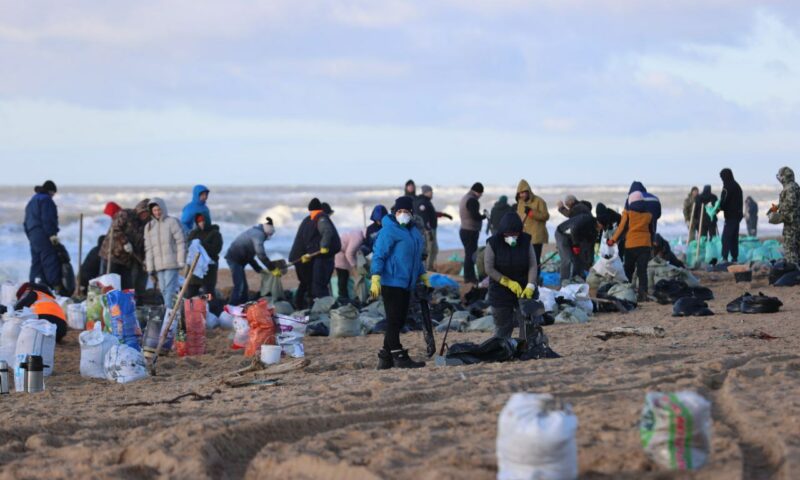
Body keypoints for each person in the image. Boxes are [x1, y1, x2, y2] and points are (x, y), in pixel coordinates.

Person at [370, 196, 428, 369]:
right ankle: (398, 354)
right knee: (394, 320)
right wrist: (376, 276)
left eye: (406, 211)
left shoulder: (414, 232)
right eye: (399, 211)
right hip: (391, 281)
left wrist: (422, 274)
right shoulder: (389, 230)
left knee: (399, 320)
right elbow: (379, 254)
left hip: (406, 282)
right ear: (394, 213)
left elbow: (416, 258)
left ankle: (386, 358)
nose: (402, 214)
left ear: (412, 213)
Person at [485, 212, 538, 339]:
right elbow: (489, 268)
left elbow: (532, 265)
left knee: (527, 324)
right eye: (508, 234)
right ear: (502, 232)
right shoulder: (493, 243)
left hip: (524, 288)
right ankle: (502, 350)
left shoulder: (526, 240)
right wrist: (507, 282)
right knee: (503, 327)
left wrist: (530, 285)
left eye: (515, 234)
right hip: (500, 290)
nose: (512, 237)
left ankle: (525, 347)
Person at [290, 198, 341, 308]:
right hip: (303, 257)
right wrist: (323, 246)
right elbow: (325, 233)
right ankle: (312, 306)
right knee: (312, 284)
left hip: (305, 257)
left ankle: (304, 306)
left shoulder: (310, 220)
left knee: (309, 284)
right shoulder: (319, 219)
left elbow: (310, 239)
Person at [608, 191, 653, 302]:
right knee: (642, 271)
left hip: (631, 245)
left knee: (628, 270)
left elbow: (621, 228)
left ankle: (627, 292)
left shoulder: (628, 213)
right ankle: (643, 294)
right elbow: (652, 231)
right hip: (645, 245)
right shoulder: (649, 215)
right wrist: (652, 243)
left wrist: (613, 240)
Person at [225, 218, 279, 306]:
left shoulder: (256, 232)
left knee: (244, 288)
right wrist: (272, 268)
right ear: (267, 233)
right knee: (239, 286)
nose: (268, 238)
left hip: (239, 260)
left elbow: (250, 257)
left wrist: (259, 269)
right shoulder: (259, 235)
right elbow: (261, 254)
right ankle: (231, 307)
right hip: (234, 258)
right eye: (269, 236)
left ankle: (244, 306)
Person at [144, 198, 186, 308]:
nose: (157, 212)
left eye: (159, 209)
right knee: (163, 290)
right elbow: (149, 249)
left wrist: (181, 260)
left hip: (172, 263)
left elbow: (181, 241)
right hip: (158, 266)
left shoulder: (172, 222)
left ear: (163, 208)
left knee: (169, 289)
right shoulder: (149, 227)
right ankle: (174, 312)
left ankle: (168, 317)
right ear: (151, 211)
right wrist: (150, 268)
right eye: (154, 210)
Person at [100, 200, 149, 292]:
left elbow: (141, 244)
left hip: (126, 260)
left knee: (126, 285)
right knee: (108, 282)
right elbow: (115, 229)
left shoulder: (145, 225)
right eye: (144, 212)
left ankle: (124, 303)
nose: (145, 215)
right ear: (140, 209)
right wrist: (125, 242)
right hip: (112, 254)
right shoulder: (125, 214)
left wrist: (143, 260)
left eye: (148, 213)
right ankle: (105, 303)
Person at [23, 180, 62, 293]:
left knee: (36, 262)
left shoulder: (32, 200)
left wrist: (30, 235)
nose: (53, 196)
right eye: (53, 194)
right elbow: (47, 219)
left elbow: (25, 222)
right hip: (43, 234)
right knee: (50, 260)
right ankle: (55, 288)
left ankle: (33, 288)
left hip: (32, 235)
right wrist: (52, 235)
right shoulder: (46, 200)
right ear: (51, 191)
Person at [555, 211, 600, 283]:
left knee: (578, 258)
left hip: (574, 237)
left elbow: (590, 247)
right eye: (600, 226)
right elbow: (574, 229)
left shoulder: (594, 231)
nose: (600, 229)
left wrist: (590, 262)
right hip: (562, 233)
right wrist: (575, 245)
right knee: (567, 259)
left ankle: (577, 276)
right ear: (598, 222)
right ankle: (564, 280)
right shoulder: (586, 220)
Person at [414, 185, 451, 271]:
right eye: (431, 191)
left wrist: (444, 215)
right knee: (430, 249)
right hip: (428, 230)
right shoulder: (422, 202)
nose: (432, 193)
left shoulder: (427, 201)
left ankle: (429, 266)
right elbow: (423, 217)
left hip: (431, 229)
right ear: (426, 192)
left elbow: (432, 214)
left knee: (434, 249)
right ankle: (427, 268)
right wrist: (428, 230)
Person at [768, 167, 800, 264]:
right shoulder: (793, 186)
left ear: (784, 177)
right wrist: (776, 207)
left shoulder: (790, 188)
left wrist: (779, 212)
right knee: (795, 249)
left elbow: (791, 204)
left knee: (790, 249)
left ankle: (794, 272)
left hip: (792, 224)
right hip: (793, 223)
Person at [186, 213, 223, 298]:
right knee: (191, 294)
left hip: (209, 269)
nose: (201, 223)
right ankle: (189, 311)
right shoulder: (193, 233)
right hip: (194, 268)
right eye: (199, 221)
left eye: (203, 221)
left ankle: (213, 310)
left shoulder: (215, 234)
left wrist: (201, 245)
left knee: (209, 293)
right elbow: (188, 247)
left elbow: (216, 249)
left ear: (207, 221)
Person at [515, 180, 550, 270]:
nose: (521, 195)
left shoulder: (539, 201)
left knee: (534, 260)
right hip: (524, 236)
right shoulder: (520, 203)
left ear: (528, 191)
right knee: (524, 259)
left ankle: (535, 280)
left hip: (536, 236)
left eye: (523, 193)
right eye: (520, 193)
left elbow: (545, 216)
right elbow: (519, 217)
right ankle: (527, 279)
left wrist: (532, 213)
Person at [459, 182, 486, 284]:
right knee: (471, 255)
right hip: (470, 231)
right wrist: (484, 216)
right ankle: (469, 277)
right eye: (481, 193)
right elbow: (475, 216)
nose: (481, 196)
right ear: (478, 192)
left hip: (464, 229)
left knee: (469, 254)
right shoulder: (472, 200)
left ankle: (469, 276)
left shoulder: (465, 197)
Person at [715, 168, 743, 263]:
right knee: (734, 238)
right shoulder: (737, 186)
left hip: (730, 217)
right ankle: (735, 257)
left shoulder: (727, 187)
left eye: (722, 177)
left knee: (726, 238)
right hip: (737, 216)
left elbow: (723, 202)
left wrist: (716, 211)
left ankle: (725, 258)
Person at [334, 230, 365, 301]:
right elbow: (349, 253)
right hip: (340, 256)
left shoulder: (357, 235)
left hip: (341, 256)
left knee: (344, 277)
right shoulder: (358, 238)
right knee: (343, 277)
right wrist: (354, 267)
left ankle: (344, 297)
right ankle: (343, 297)